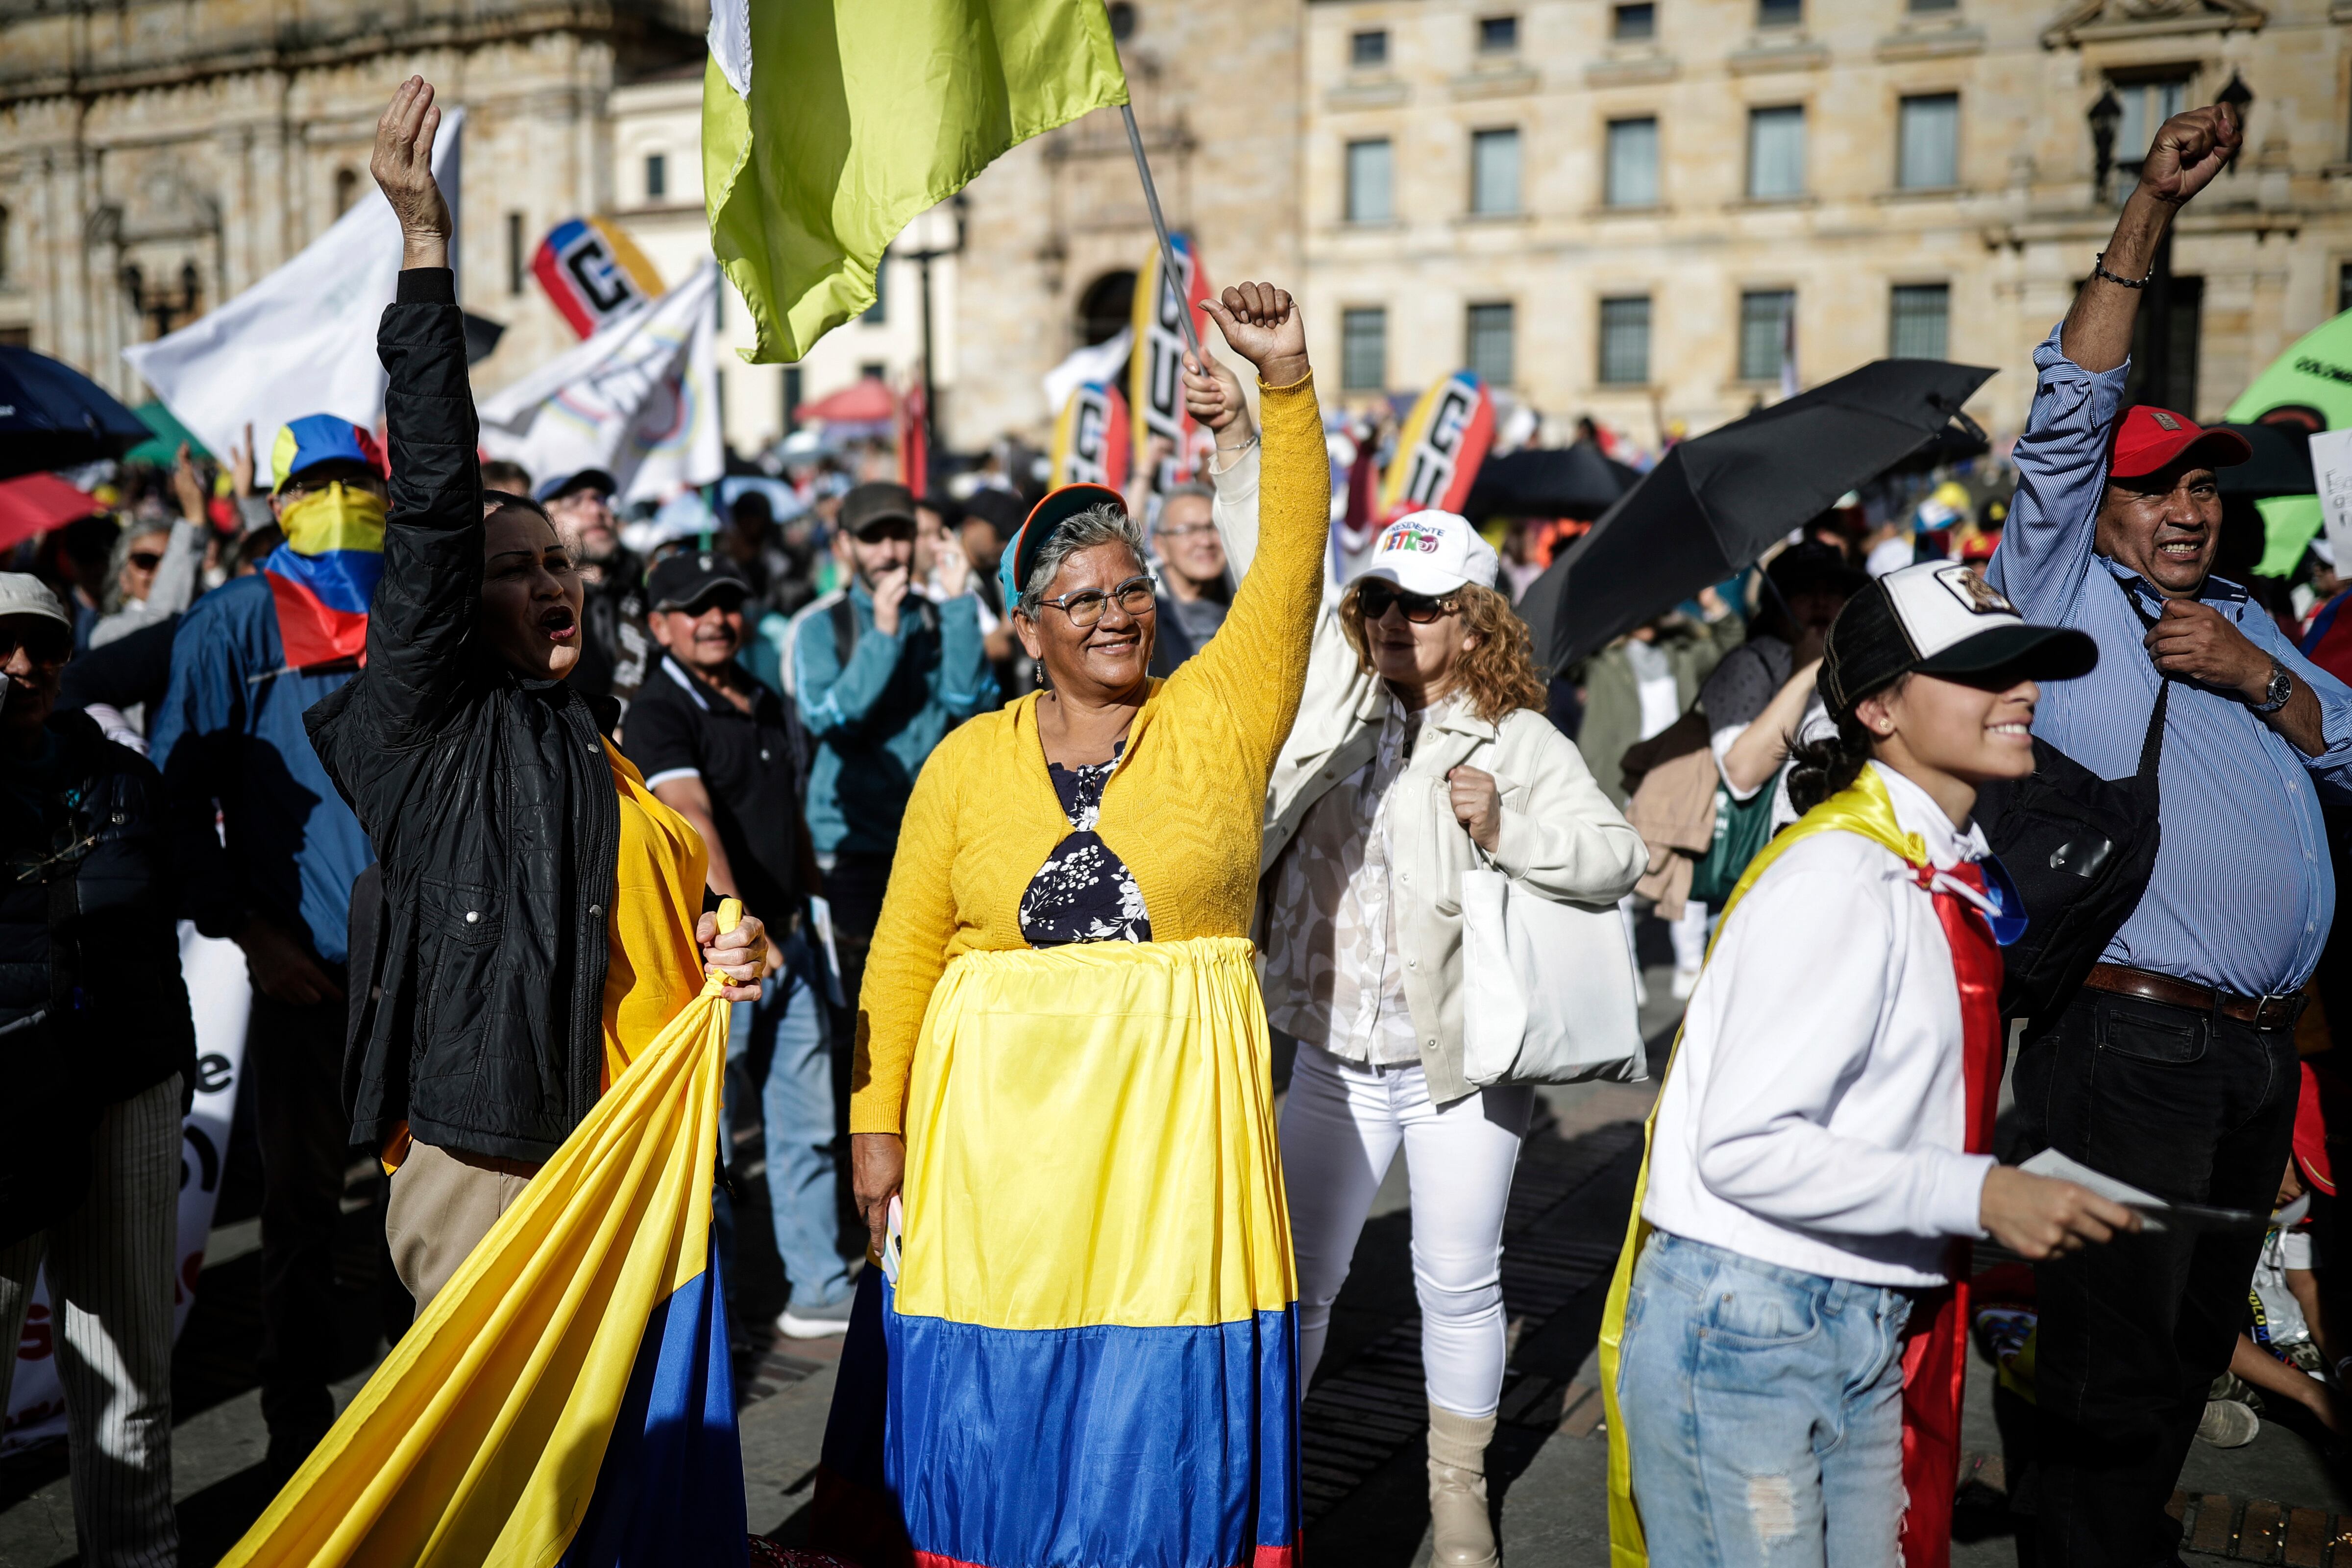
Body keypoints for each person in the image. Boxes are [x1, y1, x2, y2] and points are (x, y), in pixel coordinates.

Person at [812, 283, 1323, 1568]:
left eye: (1129, 586)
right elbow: (903, 950)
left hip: (1174, 1145)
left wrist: (1287, 386)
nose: (1115, 612)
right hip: (1003, 1153)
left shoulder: (1220, 712)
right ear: (1026, 626)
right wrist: (875, 1130)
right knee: (1010, 1391)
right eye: (1079, 598)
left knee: (1160, 1397)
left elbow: (1296, 563)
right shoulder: (966, 766)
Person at [308, 78, 766, 1313]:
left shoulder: (592, 742)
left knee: (611, 1469)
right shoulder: (428, 725)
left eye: (559, 562)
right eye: (512, 573)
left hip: (617, 1139)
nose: (547, 582)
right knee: (494, 1482)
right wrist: (424, 255)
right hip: (488, 1150)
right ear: (460, 607)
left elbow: (655, 906)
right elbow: (436, 505)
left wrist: (728, 936)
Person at [1979, 101, 2352, 1568]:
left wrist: (2261, 679)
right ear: (2101, 511)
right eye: (2157, 485)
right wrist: (2150, 206)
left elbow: (2349, 741)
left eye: (2203, 484)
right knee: (2106, 1355)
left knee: (2191, 1344)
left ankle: (2117, 1537)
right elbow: (2070, 400)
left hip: (2254, 1049)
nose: (2189, 505)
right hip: (2130, 1041)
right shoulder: (2063, 592)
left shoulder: (2254, 621)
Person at [1607, 562, 2137, 1568]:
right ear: (1882, 706)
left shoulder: (1937, 865)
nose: (2022, 690)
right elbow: (1744, 1147)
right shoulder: (1843, 876)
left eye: (2026, 666)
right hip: (1751, 1326)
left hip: (1852, 1315)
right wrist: (1979, 1194)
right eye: (1985, 670)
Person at [1244, 499, 1646, 1567]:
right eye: (1380, 601)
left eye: (1421, 609)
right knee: (1298, 1276)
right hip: (1329, 1050)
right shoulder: (1334, 711)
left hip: (1461, 1064)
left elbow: (1617, 855)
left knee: (1459, 1277)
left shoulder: (1519, 740)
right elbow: (1273, 556)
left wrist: (1509, 826)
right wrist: (1250, 442)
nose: (1393, 623)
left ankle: (1457, 1491)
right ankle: (1264, 1466)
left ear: (1472, 621)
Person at [149, 412, 387, 1478]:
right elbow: (168, 803)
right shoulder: (232, 622)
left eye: (356, 480)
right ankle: (299, 1436)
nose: (340, 500)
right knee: (299, 1220)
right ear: (276, 503)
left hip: (425, 979)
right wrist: (251, 935)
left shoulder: (421, 612)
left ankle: (413, 1418)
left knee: (418, 1216)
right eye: (317, 483)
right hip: (304, 984)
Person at [0, 574, 193, 1568]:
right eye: (0, 646)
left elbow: (180, 904)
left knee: (127, 1370)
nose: (24, 668)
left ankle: (137, 1559)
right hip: (6, 1118)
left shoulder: (123, 779)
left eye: (44, 646)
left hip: (127, 1087)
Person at [622, 549, 851, 1338]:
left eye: (727, 603)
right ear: (659, 625)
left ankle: (818, 1290)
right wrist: (737, 918)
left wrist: (812, 908)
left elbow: (783, 808)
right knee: (705, 1155)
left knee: (807, 1131)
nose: (716, 619)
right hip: (722, 962)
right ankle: (701, 1320)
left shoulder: (760, 694)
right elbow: (693, 817)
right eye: (696, 607)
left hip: (792, 943)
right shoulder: (656, 709)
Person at [784, 479, 998, 1049]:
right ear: (846, 545)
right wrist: (880, 635)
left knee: (929, 1005)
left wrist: (957, 607)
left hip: (931, 840)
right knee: (858, 1018)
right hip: (849, 849)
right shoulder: (819, 626)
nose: (888, 552)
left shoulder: (938, 615)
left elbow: (971, 705)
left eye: (899, 536)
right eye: (872, 538)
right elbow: (831, 718)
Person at [1577, 597, 1747, 999]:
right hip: (1618, 774)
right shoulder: (1600, 660)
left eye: (1651, 611)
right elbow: (1562, 661)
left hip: (1675, 773)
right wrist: (1611, 628)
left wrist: (1707, 605)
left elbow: (1732, 640)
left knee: (1680, 869)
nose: (1646, 620)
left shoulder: (1683, 652)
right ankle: (1626, 972)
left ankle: (1690, 965)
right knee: (1614, 876)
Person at [1702, 540, 1864, 834]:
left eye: (1832, 591)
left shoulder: (1856, 665)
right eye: (1804, 592)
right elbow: (1743, 775)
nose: (1821, 602)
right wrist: (1803, 675)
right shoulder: (1748, 664)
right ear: (1777, 606)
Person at [536, 466, 650, 722]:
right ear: (543, 521)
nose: (598, 511)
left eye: (601, 501)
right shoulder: (539, 602)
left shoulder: (640, 596)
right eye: (576, 502)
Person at [1145, 480, 1230, 674]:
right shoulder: (1142, 611)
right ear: (1161, 546)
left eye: (1213, 527)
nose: (1205, 541)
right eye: (1189, 530)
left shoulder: (1245, 598)